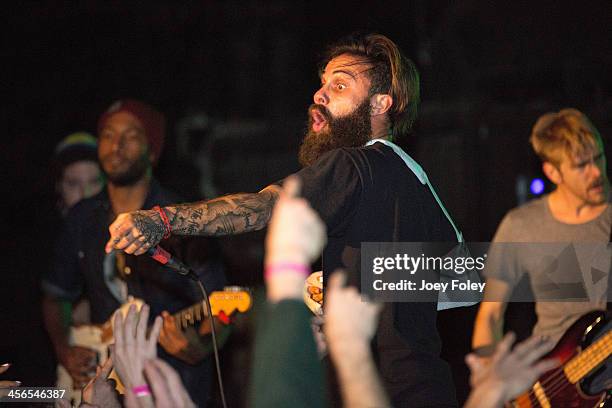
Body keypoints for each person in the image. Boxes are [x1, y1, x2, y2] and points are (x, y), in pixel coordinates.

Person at [105, 34, 461, 407]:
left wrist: (161, 219)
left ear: (379, 104)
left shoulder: (353, 163)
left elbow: (267, 206)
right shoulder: (413, 181)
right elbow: (460, 286)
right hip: (426, 389)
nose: (319, 95)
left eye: (339, 85)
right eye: (322, 83)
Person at [42, 99, 224, 407]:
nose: (117, 144)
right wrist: (65, 350)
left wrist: (202, 344)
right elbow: (55, 294)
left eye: (131, 135)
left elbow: (218, 303)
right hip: (104, 388)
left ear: (152, 151)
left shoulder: (183, 218)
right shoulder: (82, 218)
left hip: (173, 387)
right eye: (109, 135)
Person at [473, 108, 610, 349]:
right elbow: (490, 315)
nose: (596, 172)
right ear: (552, 172)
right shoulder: (520, 226)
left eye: (598, 157)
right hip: (552, 379)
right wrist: (489, 377)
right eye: (581, 165)